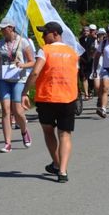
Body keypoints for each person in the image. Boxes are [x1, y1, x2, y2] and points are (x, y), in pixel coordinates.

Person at [21, 22, 79, 183]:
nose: (42, 36)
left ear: (55, 34)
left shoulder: (45, 50)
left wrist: (24, 92)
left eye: (45, 33)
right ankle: (62, 171)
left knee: (48, 131)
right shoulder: (72, 52)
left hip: (47, 97)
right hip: (68, 97)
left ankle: (57, 163)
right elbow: (75, 73)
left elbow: (35, 72)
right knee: (65, 134)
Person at [0, 18, 35, 153]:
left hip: (18, 79)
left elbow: (32, 61)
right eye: (1, 28)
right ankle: (7, 143)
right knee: (6, 110)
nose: (1, 31)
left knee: (17, 110)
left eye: (4, 28)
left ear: (11, 28)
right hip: (3, 79)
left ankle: (24, 130)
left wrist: (22, 65)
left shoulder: (23, 41)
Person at [78, 25, 95, 100]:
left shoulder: (93, 39)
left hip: (91, 61)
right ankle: (86, 94)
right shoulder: (80, 40)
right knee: (84, 77)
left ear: (89, 32)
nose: (85, 32)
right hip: (83, 60)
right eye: (84, 31)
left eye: (87, 31)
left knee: (91, 78)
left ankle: (90, 90)